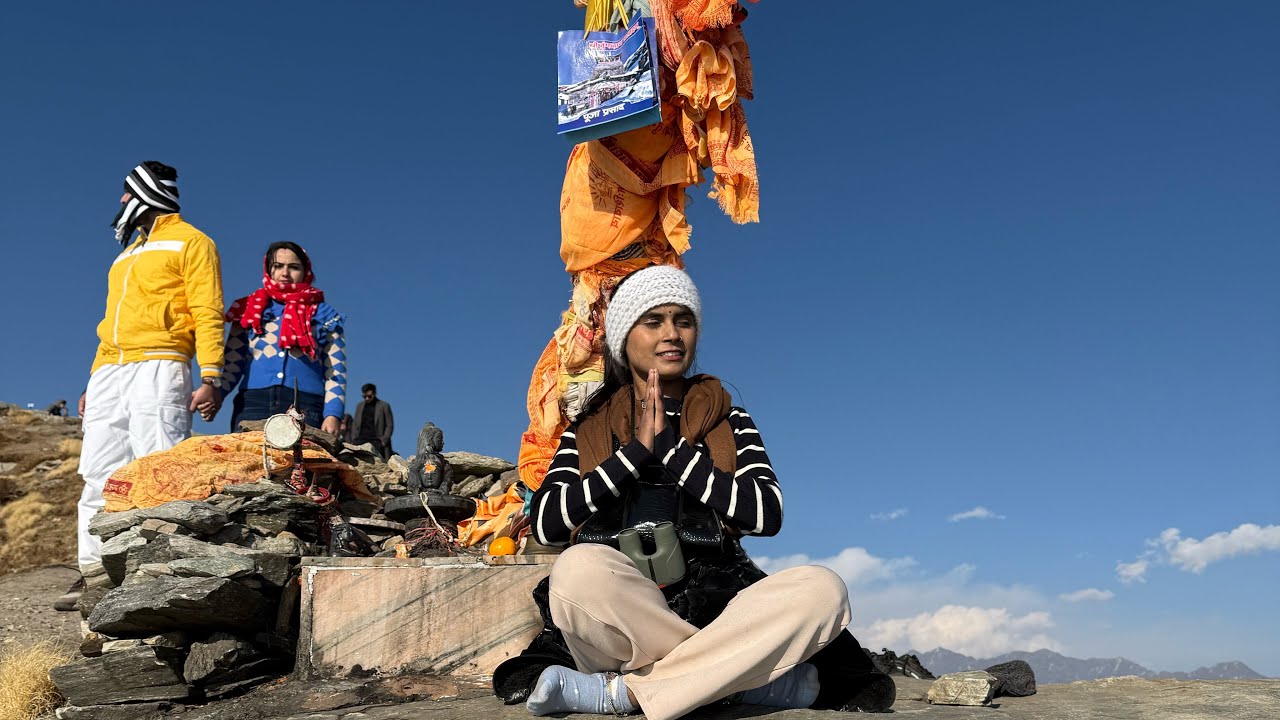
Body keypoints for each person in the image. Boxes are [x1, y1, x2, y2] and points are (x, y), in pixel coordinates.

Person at [516, 266, 893, 718]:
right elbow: (547, 524)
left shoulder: (727, 417)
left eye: (684, 320)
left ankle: (623, 695)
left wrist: (674, 454)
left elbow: (766, 513)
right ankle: (741, 679)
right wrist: (634, 453)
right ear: (623, 337)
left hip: (719, 599)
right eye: (653, 321)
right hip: (628, 614)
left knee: (823, 590)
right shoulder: (589, 425)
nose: (672, 334)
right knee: (576, 571)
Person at [62, 162, 224, 611]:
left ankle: (156, 567)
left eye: (125, 193)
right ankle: (93, 571)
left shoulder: (194, 241)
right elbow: (109, 323)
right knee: (97, 471)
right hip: (110, 369)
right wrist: (92, 379)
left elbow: (208, 310)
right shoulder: (125, 254)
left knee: (158, 464)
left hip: (162, 362)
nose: (120, 203)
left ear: (145, 193)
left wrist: (210, 374)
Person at [217, 242, 347, 435]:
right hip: (252, 404)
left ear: (305, 271)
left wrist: (333, 414)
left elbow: (335, 371)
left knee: (301, 462)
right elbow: (232, 364)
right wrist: (215, 394)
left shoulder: (325, 315)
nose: (285, 273)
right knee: (248, 461)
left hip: (306, 405)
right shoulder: (249, 309)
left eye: (293, 267)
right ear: (269, 269)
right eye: (278, 266)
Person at [350, 383, 394, 459]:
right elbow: (355, 423)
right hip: (360, 440)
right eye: (364, 396)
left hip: (377, 441)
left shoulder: (384, 406)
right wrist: (353, 439)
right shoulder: (359, 406)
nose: (367, 398)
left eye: (369, 396)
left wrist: (384, 440)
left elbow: (389, 425)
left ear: (374, 393)